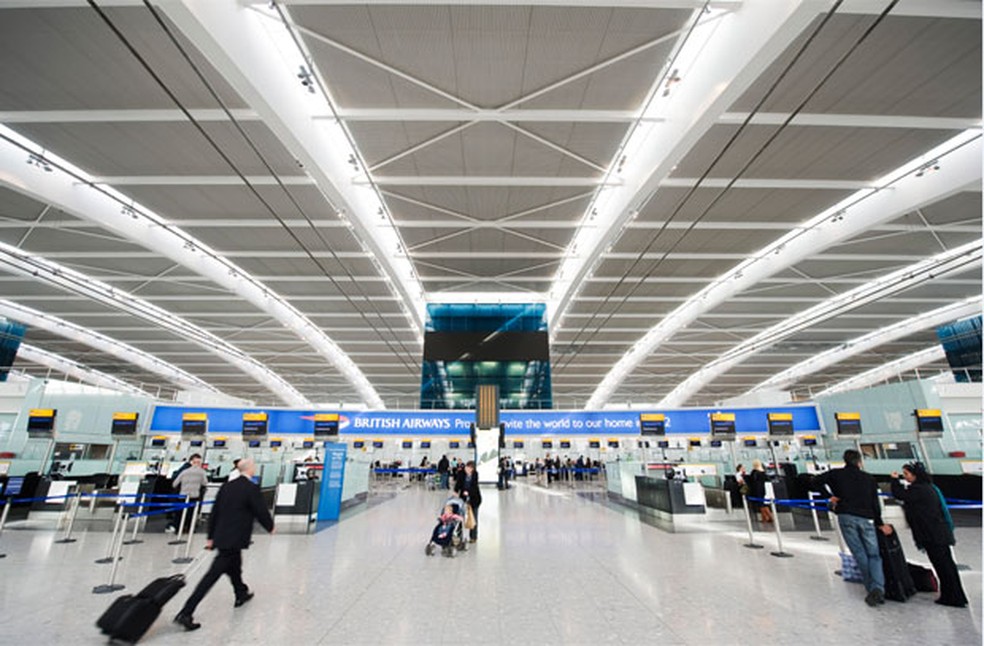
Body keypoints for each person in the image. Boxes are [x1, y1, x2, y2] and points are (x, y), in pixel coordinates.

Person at [174, 458, 275, 631]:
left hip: (222, 535)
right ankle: (186, 611)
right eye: (253, 467)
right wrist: (270, 526)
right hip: (234, 537)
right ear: (249, 470)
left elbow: (215, 512)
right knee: (212, 575)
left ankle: (240, 593)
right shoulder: (251, 488)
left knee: (235, 566)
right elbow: (260, 510)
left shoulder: (226, 487)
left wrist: (211, 536)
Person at [812, 449, 889, 607]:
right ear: (859, 461)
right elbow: (875, 503)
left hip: (846, 515)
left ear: (845, 460)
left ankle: (870, 588)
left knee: (860, 553)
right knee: (874, 554)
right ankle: (877, 588)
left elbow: (813, 481)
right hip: (867, 518)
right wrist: (880, 522)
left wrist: (828, 496)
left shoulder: (836, 474)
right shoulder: (868, 478)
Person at [891, 462, 968, 608]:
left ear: (915, 475)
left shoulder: (918, 490)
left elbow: (900, 494)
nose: (905, 477)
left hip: (932, 534)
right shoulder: (929, 488)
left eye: (907, 474)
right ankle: (956, 595)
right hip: (939, 533)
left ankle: (952, 596)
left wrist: (894, 481)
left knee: (943, 566)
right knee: (947, 565)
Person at [168, 454, 207, 533]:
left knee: (180, 514)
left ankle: (179, 529)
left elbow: (174, 484)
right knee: (191, 514)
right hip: (194, 496)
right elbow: (205, 483)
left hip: (182, 495)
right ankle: (189, 529)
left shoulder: (184, 471)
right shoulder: (202, 472)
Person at [454, 460, 482, 542]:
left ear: (472, 469)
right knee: (459, 516)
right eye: (466, 467)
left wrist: (468, 492)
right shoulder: (461, 473)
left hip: (474, 498)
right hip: (463, 498)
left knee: (473, 517)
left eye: (469, 468)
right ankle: (459, 536)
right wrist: (456, 491)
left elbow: (474, 486)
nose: (466, 469)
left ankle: (473, 537)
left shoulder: (475, 474)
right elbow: (458, 483)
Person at [746, 460, 772, 524]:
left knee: (761, 505)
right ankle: (768, 517)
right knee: (763, 504)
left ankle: (765, 517)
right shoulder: (763, 472)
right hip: (763, 489)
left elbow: (751, 480)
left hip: (757, 489)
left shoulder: (754, 472)